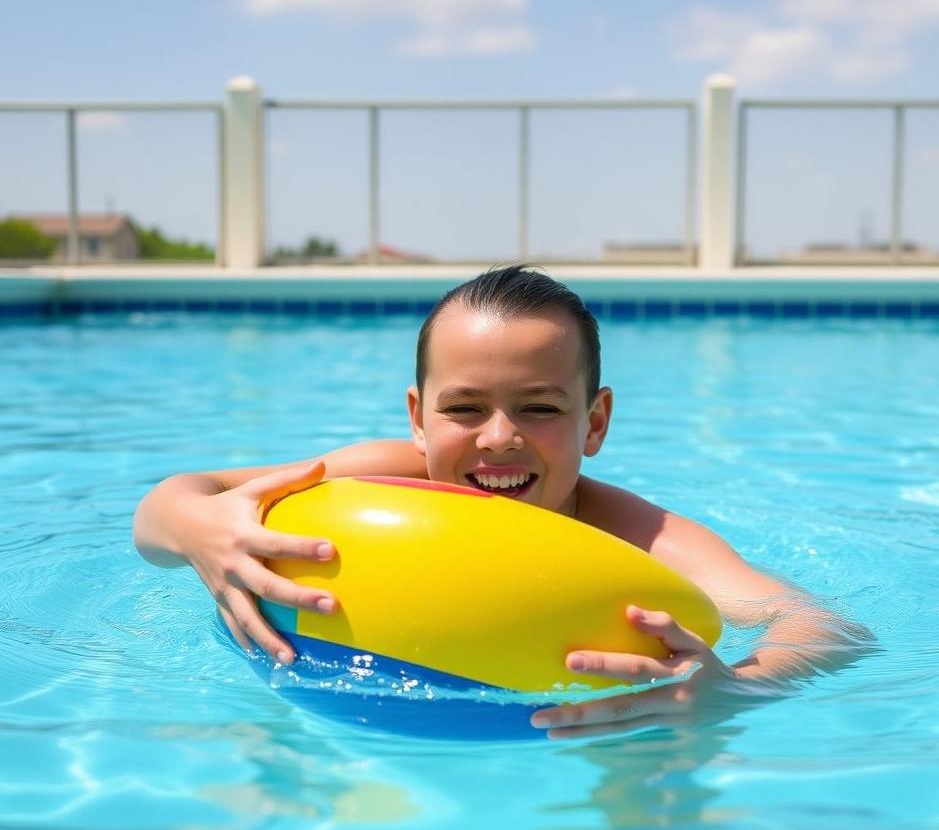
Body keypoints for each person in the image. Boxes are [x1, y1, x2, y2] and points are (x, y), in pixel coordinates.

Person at [134, 265, 870, 739]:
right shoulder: (372, 479)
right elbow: (166, 505)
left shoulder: (638, 537)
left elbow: (827, 625)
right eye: (464, 408)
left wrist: (737, 690)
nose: (499, 438)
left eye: (540, 407)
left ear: (595, 421)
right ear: (418, 417)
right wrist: (204, 533)